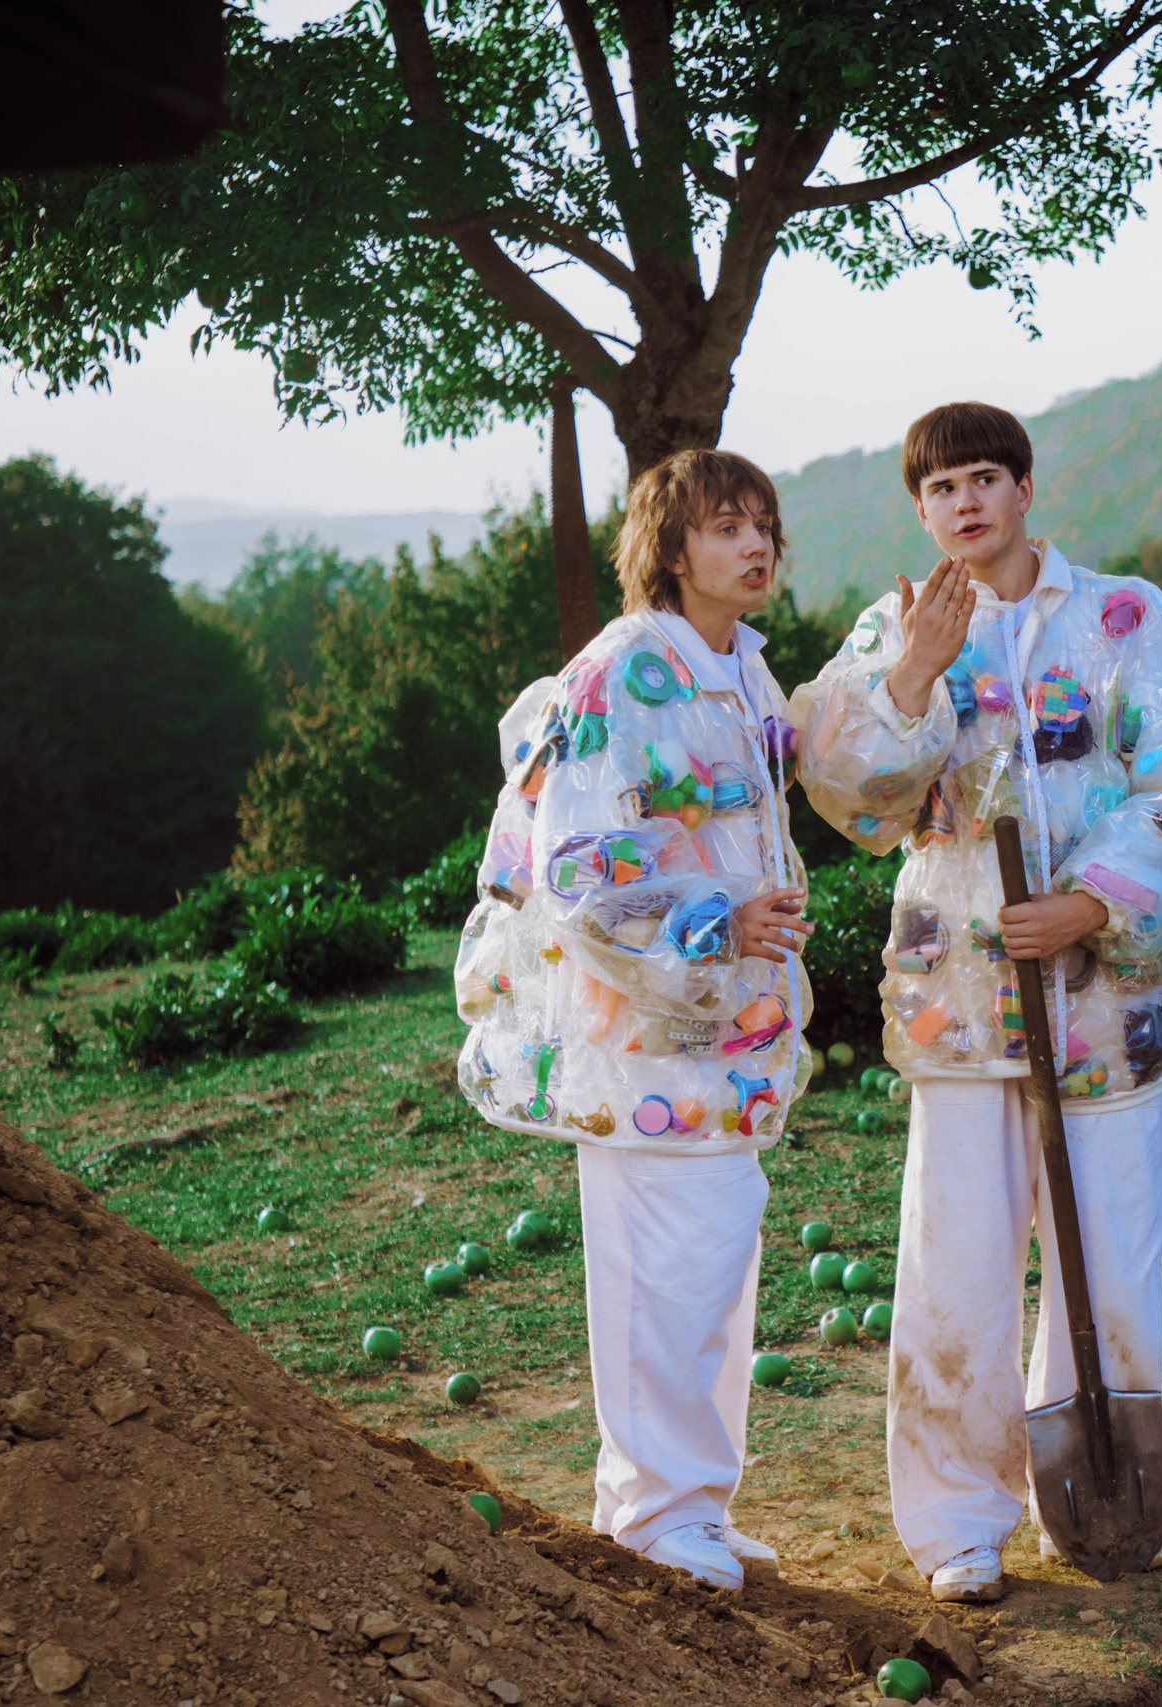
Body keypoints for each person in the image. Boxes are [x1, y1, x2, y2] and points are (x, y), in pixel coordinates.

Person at [793, 400, 1162, 1603]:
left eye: (984, 478)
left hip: (1113, 1001)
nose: (965, 504)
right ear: (919, 509)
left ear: (1025, 488)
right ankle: (958, 1522)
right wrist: (912, 674)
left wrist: (1089, 903)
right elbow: (849, 798)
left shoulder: (1125, 616)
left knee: (1112, 1258)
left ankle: (1099, 1505)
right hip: (960, 996)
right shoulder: (895, 626)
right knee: (958, 1258)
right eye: (940, 489)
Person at [452, 448, 815, 1594]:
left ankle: (686, 1503)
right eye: (724, 527)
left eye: (762, 525)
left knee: (715, 1267)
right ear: (669, 548)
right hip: (643, 1040)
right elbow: (583, 868)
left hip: (726, 1034)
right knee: (663, 1270)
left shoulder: (739, 669)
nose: (753, 546)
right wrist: (720, 920)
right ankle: (657, 1516)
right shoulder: (620, 673)